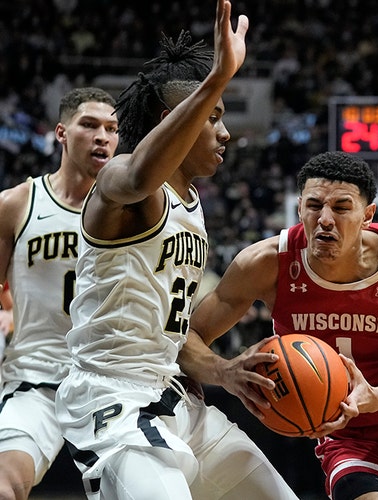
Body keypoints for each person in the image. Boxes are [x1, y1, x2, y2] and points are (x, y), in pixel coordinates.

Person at [54, 2, 297, 499]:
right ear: (178, 120)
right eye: (215, 118)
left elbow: (172, 330)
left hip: (174, 397)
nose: (226, 133)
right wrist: (217, 78)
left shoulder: (191, 204)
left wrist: (223, 371)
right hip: (112, 399)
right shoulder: (121, 181)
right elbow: (140, 174)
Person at [178, 150, 378, 499]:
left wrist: (376, 397)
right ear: (300, 207)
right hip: (349, 436)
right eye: (314, 206)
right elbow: (187, 336)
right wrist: (224, 372)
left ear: (367, 216)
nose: (325, 218)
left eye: (342, 208)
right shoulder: (266, 263)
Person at [0, 87, 119, 500]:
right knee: (4, 484)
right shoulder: (18, 203)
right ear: (61, 133)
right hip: (36, 377)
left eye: (111, 128)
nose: (102, 135)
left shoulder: (135, 213)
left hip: (110, 382)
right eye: (89, 125)